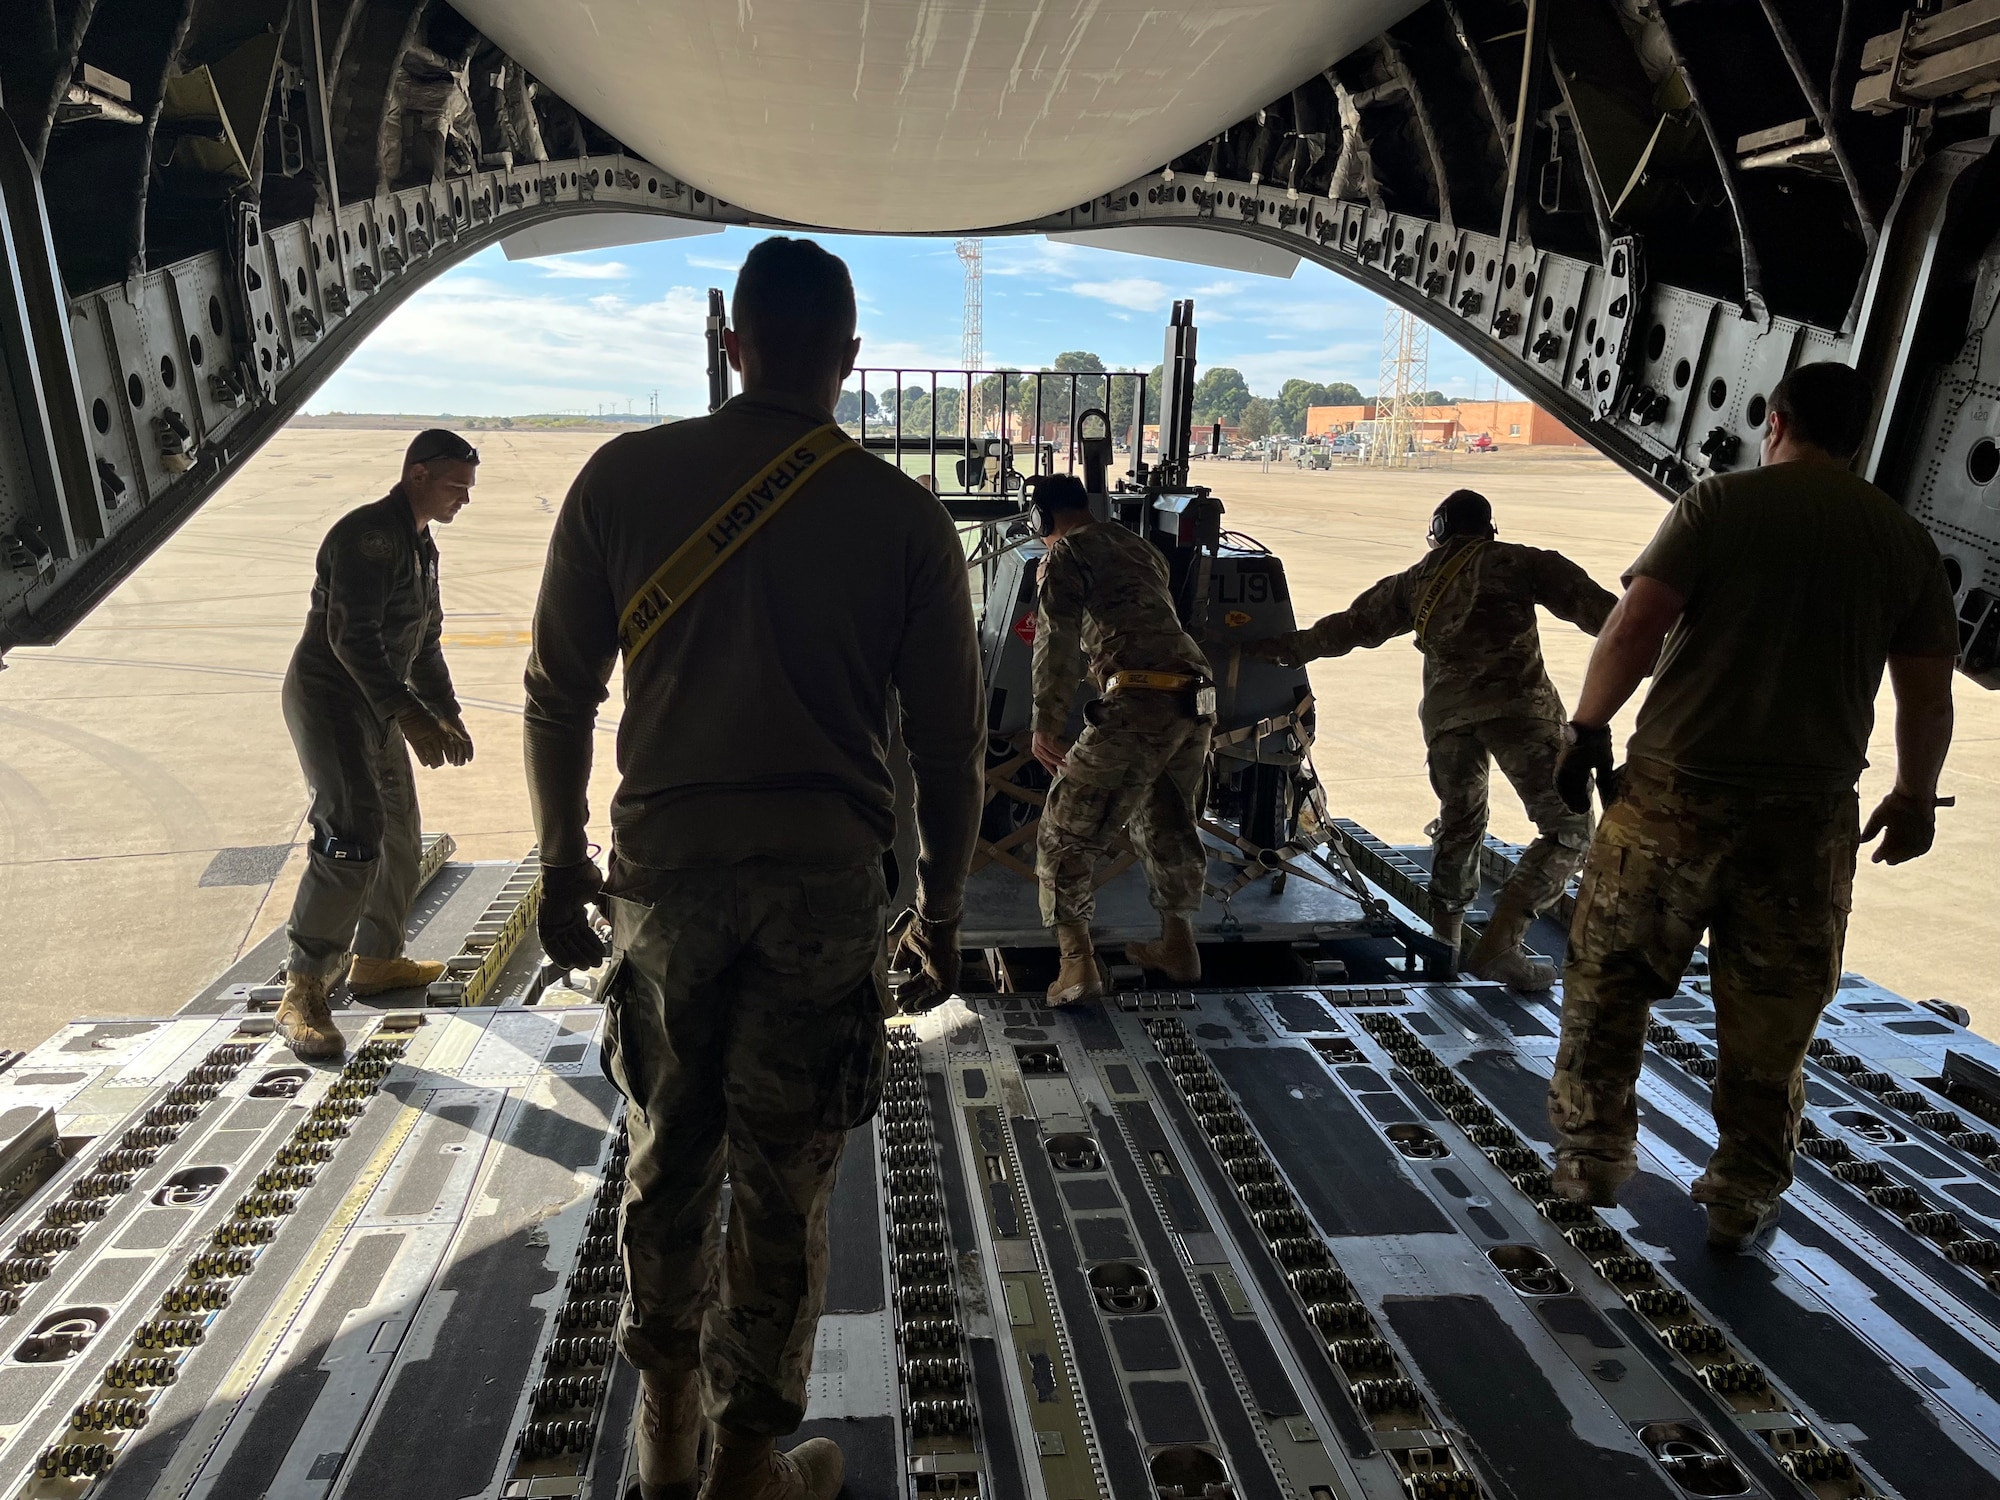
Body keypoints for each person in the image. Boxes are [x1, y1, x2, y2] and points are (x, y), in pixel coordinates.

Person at [522, 236, 983, 1500]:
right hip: (825, 893)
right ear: (847, 361)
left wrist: (563, 867)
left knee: (668, 1150)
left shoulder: (620, 478)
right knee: (782, 1183)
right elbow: (949, 751)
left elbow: (556, 699)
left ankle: (663, 1440)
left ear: (733, 350)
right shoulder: (902, 515)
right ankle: (744, 1465)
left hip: (664, 881)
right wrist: (939, 911)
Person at [1549, 361, 1959, 1252]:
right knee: (1774, 1015)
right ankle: (1740, 1196)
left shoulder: (1718, 506)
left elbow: (1635, 625)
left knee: (1611, 982)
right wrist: (1914, 796)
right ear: (1858, 437)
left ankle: (1591, 1161)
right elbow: (1925, 696)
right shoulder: (1904, 541)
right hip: (1807, 819)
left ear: (1775, 421)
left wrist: (1586, 728)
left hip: (1672, 797)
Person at [1247, 490, 1616, 988]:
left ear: (1439, 530)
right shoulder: (1519, 561)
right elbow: (1603, 614)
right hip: (1520, 714)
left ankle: (1446, 943)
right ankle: (1501, 946)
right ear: (1489, 527)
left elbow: (1355, 626)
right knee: (1569, 830)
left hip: (1446, 722)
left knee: (1460, 823)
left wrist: (1285, 649)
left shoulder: (1417, 580)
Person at [276, 428, 478, 1061]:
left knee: (399, 829)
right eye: (455, 486)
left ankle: (376, 962)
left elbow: (426, 641)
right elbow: (351, 639)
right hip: (333, 699)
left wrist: (444, 711)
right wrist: (410, 716)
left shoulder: (422, 547)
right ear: (417, 474)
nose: (463, 500)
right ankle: (305, 987)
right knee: (352, 832)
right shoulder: (370, 538)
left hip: (378, 706)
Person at [1031, 472, 1214, 1004]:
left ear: (1043, 518)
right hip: (1194, 699)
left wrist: (1046, 720)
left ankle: (1076, 967)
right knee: (1167, 822)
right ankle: (1179, 948)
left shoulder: (1066, 554)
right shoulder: (1139, 548)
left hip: (1136, 697)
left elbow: (1055, 639)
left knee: (1063, 834)